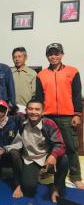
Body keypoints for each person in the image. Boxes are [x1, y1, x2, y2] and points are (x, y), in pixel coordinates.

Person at [36, 43, 84, 189]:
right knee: (50, 147)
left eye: (56, 53)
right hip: (48, 116)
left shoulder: (72, 71)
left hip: (66, 116)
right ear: (47, 56)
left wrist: (77, 114)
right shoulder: (41, 75)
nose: (53, 56)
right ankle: (50, 174)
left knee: (70, 146)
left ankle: (75, 176)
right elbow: (39, 97)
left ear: (62, 54)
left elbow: (77, 94)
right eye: (50, 54)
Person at [11, 99, 68, 203]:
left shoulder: (49, 124)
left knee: (64, 159)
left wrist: (53, 155)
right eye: (30, 109)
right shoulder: (20, 120)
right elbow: (7, 115)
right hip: (30, 158)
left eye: (37, 109)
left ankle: (55, 188)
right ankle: (38, 177)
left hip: (46, 157)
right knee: (28, 188)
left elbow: (61, 144)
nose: (33, 112)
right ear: (26, 110)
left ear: (43, 112)